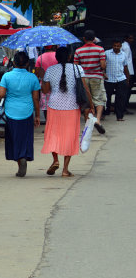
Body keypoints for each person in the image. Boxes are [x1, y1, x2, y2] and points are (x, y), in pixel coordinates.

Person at [41, 47, 94, 177]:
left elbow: (45, 91)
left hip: (54, 106)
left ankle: (55, 160)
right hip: (72, 106)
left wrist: (43, 77)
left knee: (53, 134)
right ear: (70, 57)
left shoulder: (50, 70)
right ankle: (65, 169)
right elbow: (85, 89)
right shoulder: (78, 69)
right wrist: (91, 104)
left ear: (56, 58)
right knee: (70, 136)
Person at [0, 52, 41, 177]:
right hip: (27, 111)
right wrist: (37, 115)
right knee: (25, 138)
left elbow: (1, 94)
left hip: (11, 111)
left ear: (14, 62)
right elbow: (36, 99)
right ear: (27, 63)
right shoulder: (32, 77)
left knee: (13, 138)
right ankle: (24, 155)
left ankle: (19, 159)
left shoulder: (7, 76)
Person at [73, 30, 106, 134]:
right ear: (94, 38)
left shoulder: (78, 51)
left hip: (83, 78)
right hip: (96, 77)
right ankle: (98, 120)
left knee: (87, 101)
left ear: (84, 38)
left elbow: (76, 66)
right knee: (99, 99)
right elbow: (103, 65)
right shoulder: (100, 49)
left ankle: (88, 126)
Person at [104, 40, 130, 121]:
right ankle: (105, 112)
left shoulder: (124, 54)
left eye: (118, 46)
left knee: (120, 98)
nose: (116, 47)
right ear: (112, 45)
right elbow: (102, 65)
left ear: (120, 46)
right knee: (106, 98)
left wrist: (127, 79)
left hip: (121, 78)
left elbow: (125, 67)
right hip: (109, 79)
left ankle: (119, 116)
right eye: (114, 45)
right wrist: (103, 73)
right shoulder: (106, 53)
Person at [34, 46, 58, 122]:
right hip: (57, 84)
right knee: (57, 105)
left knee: (46, 106)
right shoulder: (57, 55)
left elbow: (37, 73)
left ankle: (48, 124)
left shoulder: (40, 58)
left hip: (44, 85)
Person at [122, 34, 134, 111]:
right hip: (128, 71)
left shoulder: (126, 46)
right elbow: (125, 60)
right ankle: (124, 106)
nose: (132, 40)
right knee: (127, 90)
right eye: (130, 38)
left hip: (129, 70)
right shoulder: (126, 47)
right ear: (126, 39)